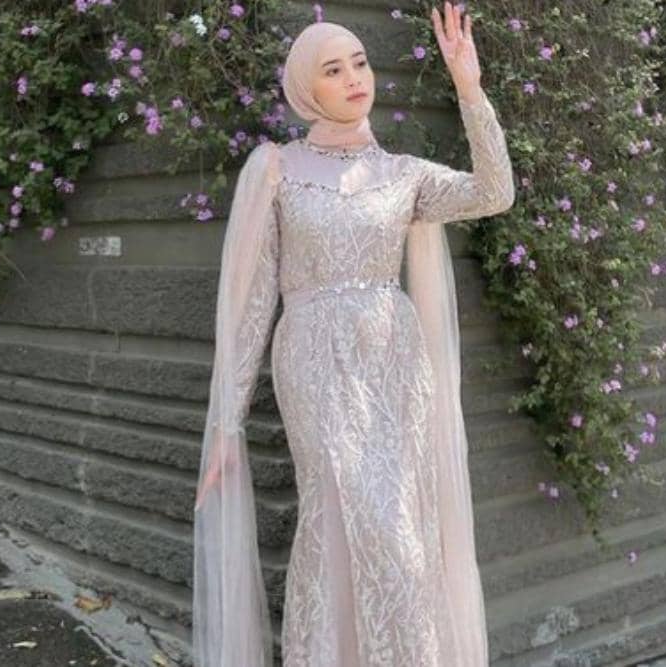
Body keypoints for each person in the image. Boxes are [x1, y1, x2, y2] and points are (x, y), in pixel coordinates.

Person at [192, 3, 515, 665]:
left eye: (360, 63)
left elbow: (494, 192)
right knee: (343, 515)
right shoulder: (275, 169)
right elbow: (252, 304)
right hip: (313, 364)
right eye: (333, 70)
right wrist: (227, 421)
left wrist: (469, 88)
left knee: (403, 531)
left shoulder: (404, 175)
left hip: (396, 367)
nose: (354, 78)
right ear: (308, 87)